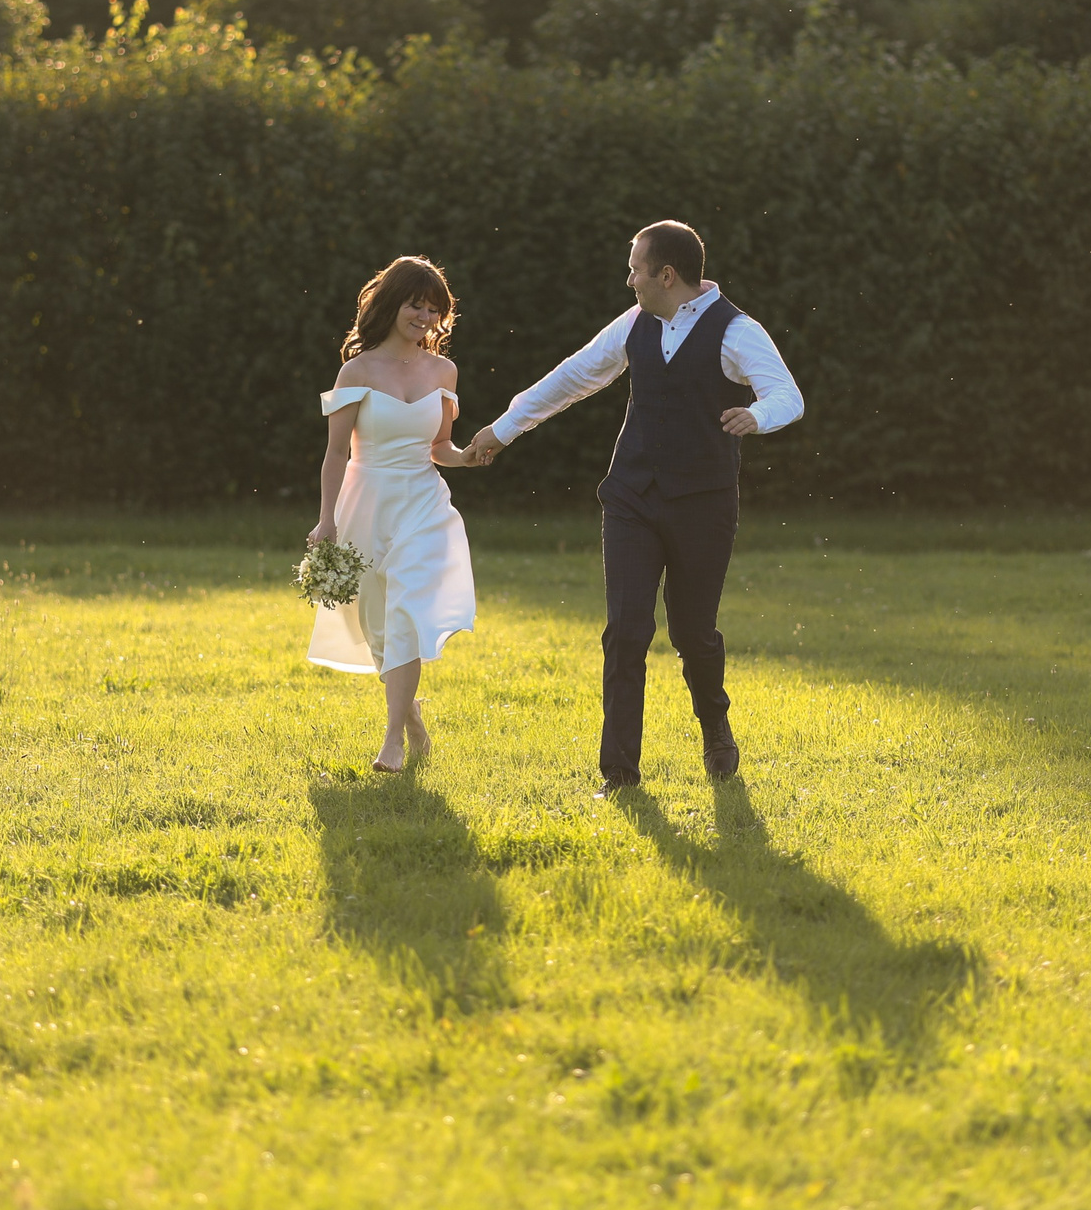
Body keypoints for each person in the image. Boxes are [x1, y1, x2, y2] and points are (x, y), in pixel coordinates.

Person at [466, 221, 803, 796]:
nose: (629, 280)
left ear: (665, 275)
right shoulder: (634, 324)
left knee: (694, 631)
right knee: (626, 630)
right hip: (631, 498)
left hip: (703, 505)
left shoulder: (737, 332)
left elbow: (787, 395)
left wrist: (757, 416)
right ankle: (619, 774)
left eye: (635, 270)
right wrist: (502, 431)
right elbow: (572, 377)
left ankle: (715, 729)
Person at [307, 255, 485, 773]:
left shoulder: (444, 370)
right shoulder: (356, 371)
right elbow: (336, 452)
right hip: (366, 503)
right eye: (416, 305)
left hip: (424, 504)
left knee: (405, 609)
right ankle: (412, 719)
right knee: (380, 628)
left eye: (434, 309)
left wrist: (469, 455)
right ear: (392, 303)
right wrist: (326, 520)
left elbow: (441, 447)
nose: (425, 317)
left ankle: (392, 744)